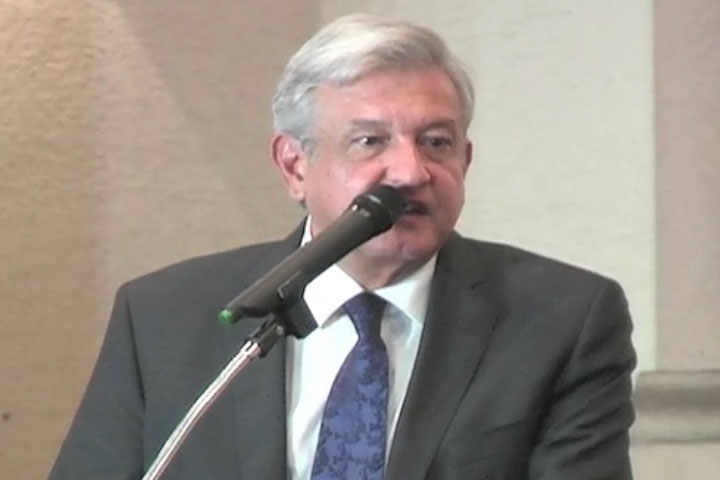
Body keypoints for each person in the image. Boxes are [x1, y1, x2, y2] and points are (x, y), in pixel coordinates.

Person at [49, 13, 636, 480]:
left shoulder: (562, 320)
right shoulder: (165, 318)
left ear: (466, 160)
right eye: (369, 141)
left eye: (436, 142)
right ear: (294, 166)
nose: (410, 171)